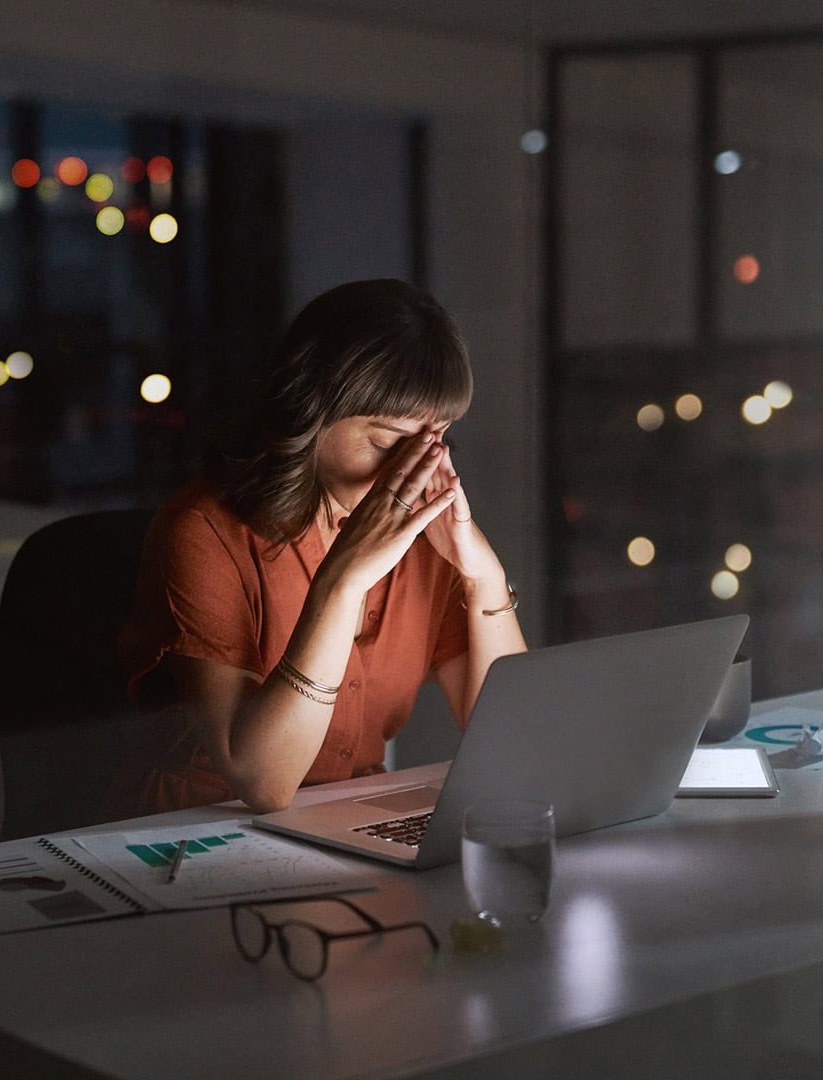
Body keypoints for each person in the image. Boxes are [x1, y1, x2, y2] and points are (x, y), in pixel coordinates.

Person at [107, 279, 527, 817]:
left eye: (436, 439)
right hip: (193, 833)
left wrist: (483, 575)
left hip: (341, 820)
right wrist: (344, 582)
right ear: (311, 412)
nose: (414, 468)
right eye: (387, 442)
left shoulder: (426, 542)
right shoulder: (203, 532)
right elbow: (263, 783)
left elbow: (515, 741)